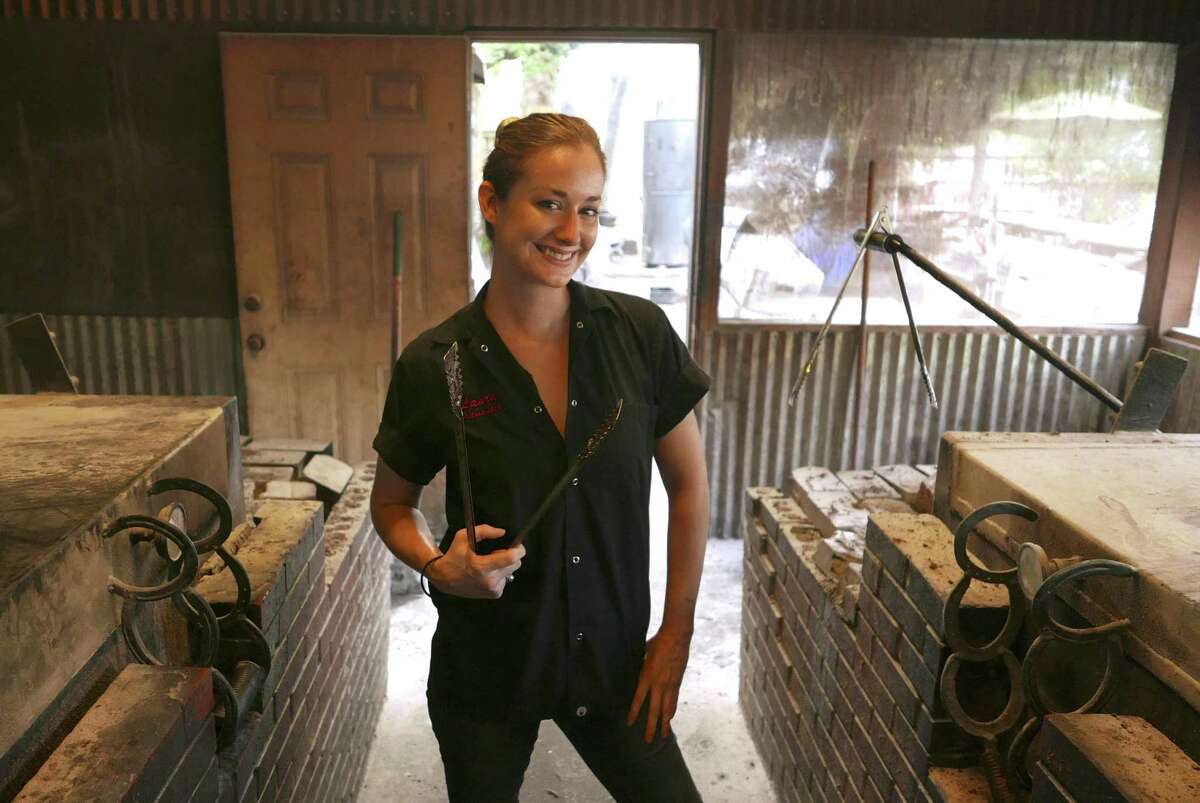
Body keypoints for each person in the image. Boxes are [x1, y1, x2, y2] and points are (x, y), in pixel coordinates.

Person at [369, 113, 711, 803]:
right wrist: (441, 566)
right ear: (492, 203)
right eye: (549, 203)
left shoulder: (637, 337)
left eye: (588, 210)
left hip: (615, 664)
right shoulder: (439, 364)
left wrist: (675, 631)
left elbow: (690, 484)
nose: (570, 232)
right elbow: (390, 503)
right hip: (488, 672)